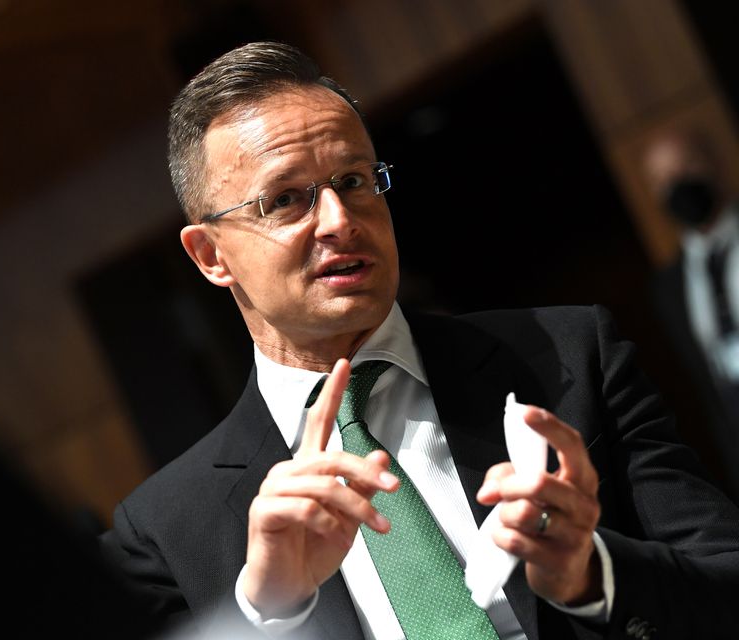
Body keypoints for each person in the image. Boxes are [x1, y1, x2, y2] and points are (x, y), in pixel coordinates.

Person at [101, 42, 739, 639]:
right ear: (211, 254)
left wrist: (590, 572)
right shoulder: (161, 533)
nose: (339, 221)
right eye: (286, 200)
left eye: (353, 181)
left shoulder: (571, 356)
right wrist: (271, 613)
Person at [645, 129, 739, 500]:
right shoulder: (669, 286)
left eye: (687, 167)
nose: (678, 183)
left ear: (715, 164)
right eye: (665, 179)